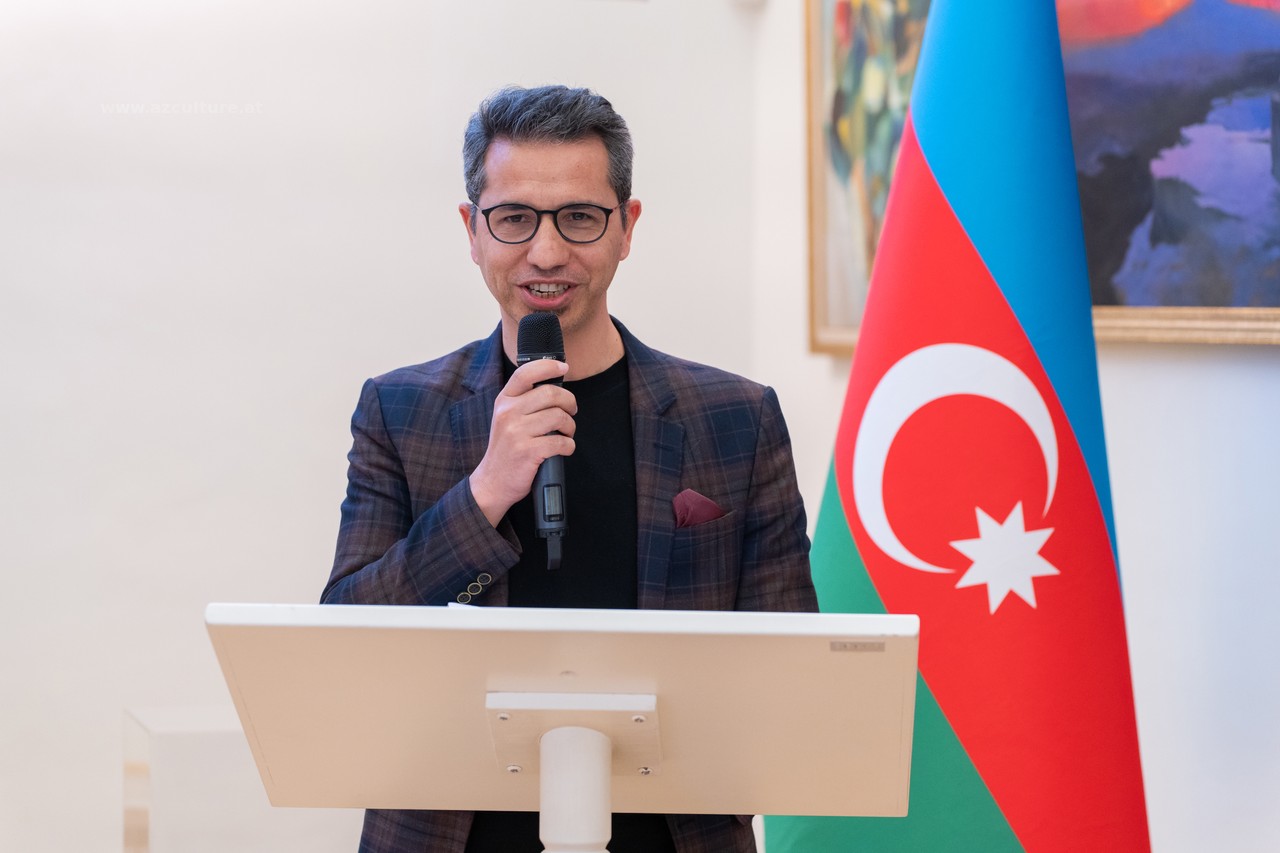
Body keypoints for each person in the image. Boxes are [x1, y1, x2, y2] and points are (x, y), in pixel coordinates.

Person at [321, 84, 817, 853]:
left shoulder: (736, 418)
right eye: (514, 218)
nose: (547, 252)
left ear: (627, 227)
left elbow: (790, 666)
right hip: (450, 835)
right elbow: (345, 642)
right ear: (472, 230)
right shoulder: (399, 410)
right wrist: (484, 493)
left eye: (579, 217)